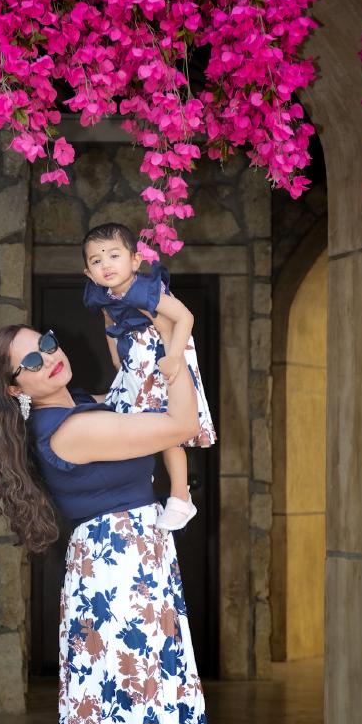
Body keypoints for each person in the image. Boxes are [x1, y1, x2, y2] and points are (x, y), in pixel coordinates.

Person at [0, 323, 287, 724]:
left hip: (114, 573)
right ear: (16, 387)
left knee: (88, 718)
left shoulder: (81, 408)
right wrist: (177, 361)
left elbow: (130, 372)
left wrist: (133, 320)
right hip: (120, 578)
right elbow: (177, 426)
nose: (51, 357)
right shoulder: (72, 428)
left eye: (47, 341)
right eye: (32, 361)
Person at [82, 222, 217, 531]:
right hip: (135, 360)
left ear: (134, 261)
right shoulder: (101, 293)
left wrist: (173, 357)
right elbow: (108, 319)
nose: (106, 265)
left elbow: (184, 316)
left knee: (167, 428)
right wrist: (116, 355)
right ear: (88, 272)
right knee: (130, 417)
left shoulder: (143, 289)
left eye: (114, 256)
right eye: (96, 260)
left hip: (162, 353)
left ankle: (181, 497)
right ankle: (143, 476)